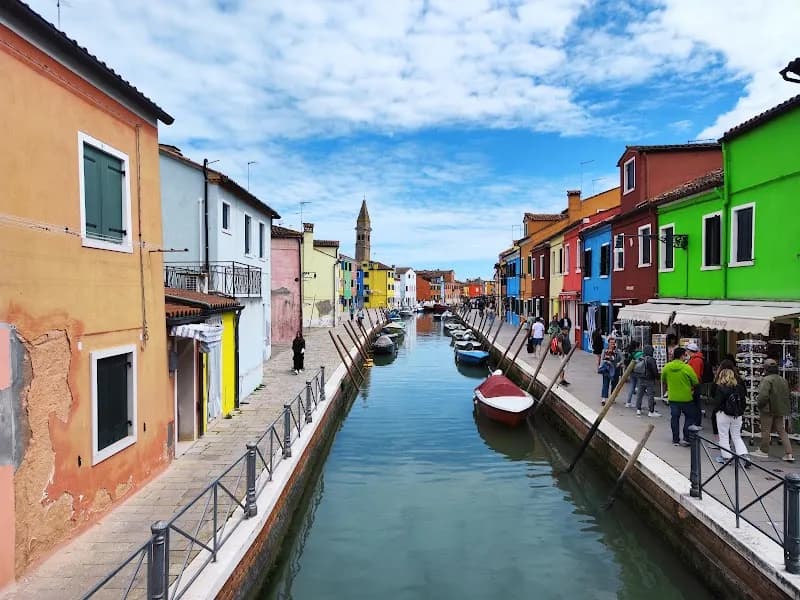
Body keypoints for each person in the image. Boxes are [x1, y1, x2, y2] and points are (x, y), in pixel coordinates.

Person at [751, 359, 795, 462]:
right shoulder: (783, 380)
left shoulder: (766, 380)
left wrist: (759, 405)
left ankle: (764, 451)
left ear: (766, 369)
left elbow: (763, 396)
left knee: (766, 430)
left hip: (768, 408)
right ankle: (789, 453)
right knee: (781, 430)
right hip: (780, 409)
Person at [661, 347, 699, 446]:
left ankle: (675, 439)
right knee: (690, 417)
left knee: (674, 418)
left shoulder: (667, 367)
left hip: (673, 397)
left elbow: (663, 378)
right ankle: (686, 437)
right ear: (682, 356)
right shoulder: (687, 368)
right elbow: (695, 381)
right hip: (686, 397)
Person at [710, 367, 748, 464]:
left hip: (723, 414)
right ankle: (744, 456)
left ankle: (726, 457)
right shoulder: (739, 388)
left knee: (724, 436)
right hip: (737, 415)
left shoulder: (720, 387)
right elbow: (743, 402)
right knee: (736, 436)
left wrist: (717, 411)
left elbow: (717, 403)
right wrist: (740, 411)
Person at [634, 345, 661, 417]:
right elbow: (654, 370)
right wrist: (658, 377)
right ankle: (651, 411)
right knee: (650, 395)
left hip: (641, 378)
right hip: (649, 379)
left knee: (640, 394)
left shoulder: (640, 358)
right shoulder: (651, 359)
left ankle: (638, 409)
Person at [598, 336, 623, 405]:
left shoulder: (618, 351)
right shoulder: (604, 350)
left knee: (614, 384)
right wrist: (603, 363)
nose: (612, 344)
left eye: (613, 343)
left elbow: (622, 359)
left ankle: (612, 397)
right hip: (607, 369)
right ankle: (603, 399)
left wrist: (619, 363)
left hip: (615, 369)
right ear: (608, 343)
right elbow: (602, 360)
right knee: (605, 384)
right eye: (611, 343)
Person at [686, 342, 706, 425]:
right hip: (695, 384)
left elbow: (696, 375)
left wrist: (692, 386)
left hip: (694, 385)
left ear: (690, 351)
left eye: (687, 350)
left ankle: (696, 422)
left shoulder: (696, 360)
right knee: (695, 404)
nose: (686, 352)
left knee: (695, 404)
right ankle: (696, 422)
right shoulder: (695, 359)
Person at [624, 340, 643, 408]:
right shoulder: (639, 353)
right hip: (638, 372)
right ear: (637, 346)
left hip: (631, 371)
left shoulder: (630, 352)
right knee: (639, 388)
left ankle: (628, 402)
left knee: (632, 386)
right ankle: (638, 404)